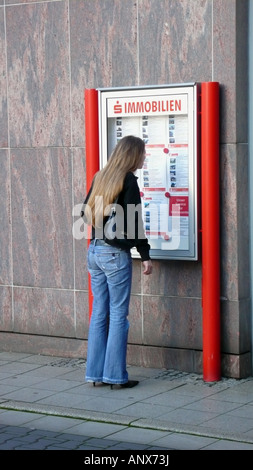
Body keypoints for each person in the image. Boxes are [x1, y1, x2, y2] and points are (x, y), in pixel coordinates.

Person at [82, 135, 152, 389]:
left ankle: (95, 374)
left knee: (100, 312)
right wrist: (145, 255)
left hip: (95, 251)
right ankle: (115, 376)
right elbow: (134, 223)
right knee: (118, 315)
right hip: (114, 255)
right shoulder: (128, 179)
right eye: (143, 153)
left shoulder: (101, 176)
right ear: (133, 155)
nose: (145, 157)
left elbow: (84, 212)